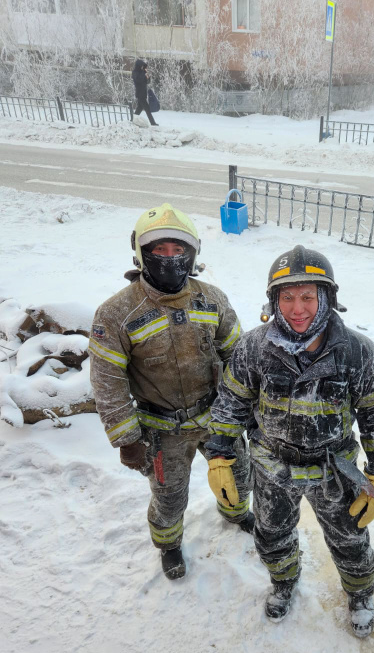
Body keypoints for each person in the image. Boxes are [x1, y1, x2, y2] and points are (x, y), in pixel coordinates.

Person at [205, 246, 374, 637]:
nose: (297, 308)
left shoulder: (360, 354)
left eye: (308, 296)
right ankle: (284, 581)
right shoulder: (253, 347)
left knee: (350, 537)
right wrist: (219, 456)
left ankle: (360, 592)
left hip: (333, 469)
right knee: (272, 534)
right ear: (273, 300)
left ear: (327, 298)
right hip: (273, 466)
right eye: (287, 297)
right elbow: (232, 403)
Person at [89, 203, 252, 580]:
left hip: (217, 419)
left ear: (192, 253)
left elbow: (239, 359)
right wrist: (126, 438)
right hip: (161, 431)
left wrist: (247, 412)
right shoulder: (116, 313)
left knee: (240, 479)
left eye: (178, 250)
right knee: (169, 498)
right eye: (159, 250)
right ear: (141, 252)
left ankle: (236, 513)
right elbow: (107, 380)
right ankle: (169, 545)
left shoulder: (211, 299)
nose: (169, 258)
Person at [132, 58, 157, 126]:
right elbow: (138, 80)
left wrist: (148, 77)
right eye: (142, 66)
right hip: (140, 93)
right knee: (147, 109)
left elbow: (147, 82)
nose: (143, 67)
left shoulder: (142, 72)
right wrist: (144, 73)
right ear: (138, 66)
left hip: (143, 93)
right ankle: (153, 123)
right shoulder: (135, 72)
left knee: (139, 108)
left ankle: (132, 120)